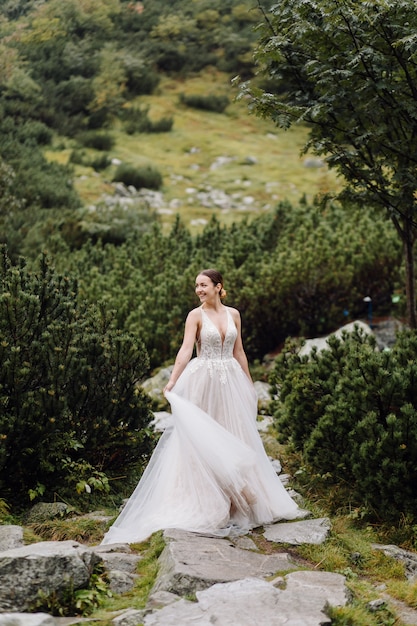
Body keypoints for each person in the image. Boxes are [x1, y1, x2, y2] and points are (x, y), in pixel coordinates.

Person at [101, 269, 300, 545]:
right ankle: (207, 499)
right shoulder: (195, 316)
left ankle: (238, 498)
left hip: (230, 380)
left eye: (204, 285)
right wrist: (172, 380)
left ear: (219, 287)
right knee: (203, 439)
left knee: (234, 433)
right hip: (203, 380)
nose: (199, 290)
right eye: (197, 285)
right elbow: (185, 350)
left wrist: (249, 383)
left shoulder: (234, 315)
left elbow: (239, 351)